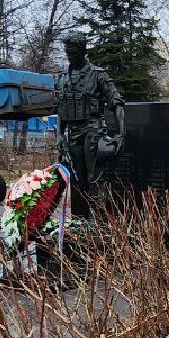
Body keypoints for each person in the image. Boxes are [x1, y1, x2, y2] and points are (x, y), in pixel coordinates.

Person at [54, 30, 126, 214]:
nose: (70, 56)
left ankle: (98, 218)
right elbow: (61, 110)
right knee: (78, 177)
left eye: (74, 53)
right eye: (68, 52)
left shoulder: (98, 75)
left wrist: (120, 134)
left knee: (94, 176)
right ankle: (81, 218)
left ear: (82, 51)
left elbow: (117, 104)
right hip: (73, 132)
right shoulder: (62, 78)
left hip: (93, 129)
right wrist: (59, 136)